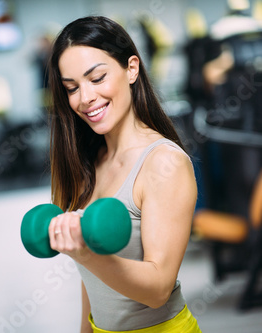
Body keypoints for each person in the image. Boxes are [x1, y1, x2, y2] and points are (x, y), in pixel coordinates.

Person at [46, 16, 201, 332]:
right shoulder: (86, 164)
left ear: (132, 68)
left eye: (98, 78)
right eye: (72, 87)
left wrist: (86, 254)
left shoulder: (164, 164)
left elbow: (158, 289)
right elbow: (93, 282)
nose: (85, 98)